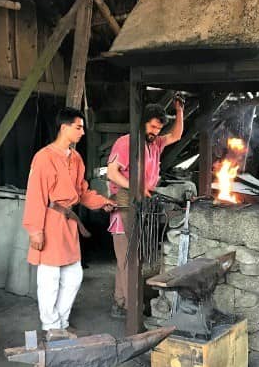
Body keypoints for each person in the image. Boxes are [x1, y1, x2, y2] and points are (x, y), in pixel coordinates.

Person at [22, 107, 116, 339]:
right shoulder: (43, 157)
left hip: (68, 224)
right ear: (64, 128)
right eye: (78, 127)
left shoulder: (76, 159)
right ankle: (51, 326)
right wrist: (35, 231)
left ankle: (61, 323)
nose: (82, 132)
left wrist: (102, 202)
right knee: (50, 278)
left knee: (74, 276)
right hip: (50, 221)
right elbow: (35, 195)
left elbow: (82, 192)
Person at [106, 98, 184, 318]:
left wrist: (179, 112)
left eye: (159, 128)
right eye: (152, 127)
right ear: (142, 123)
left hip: (141, 205)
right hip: (124, 204)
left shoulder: (155, 143)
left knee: (131, 259)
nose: (155, 132)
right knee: (128, 258)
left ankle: (120, 302)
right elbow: (112, 173)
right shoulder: (126, 142)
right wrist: (137, 187)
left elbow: (176, 135)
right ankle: (132, 309)